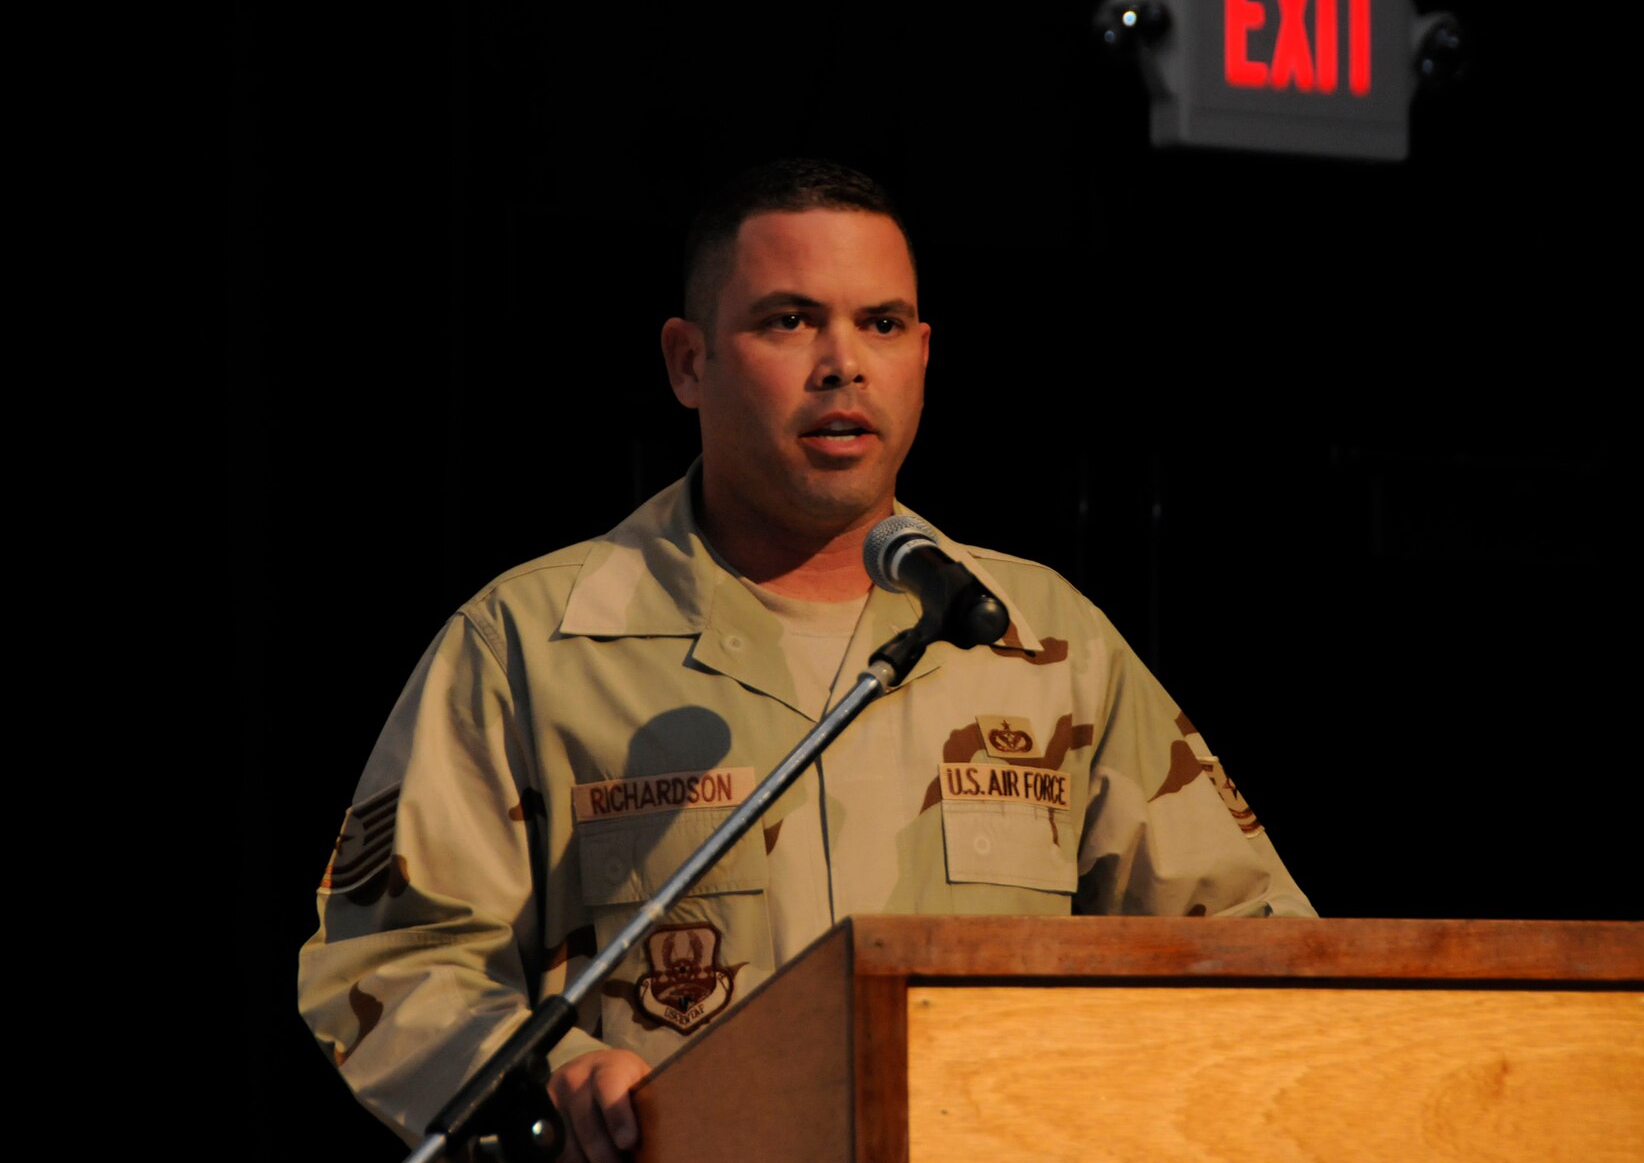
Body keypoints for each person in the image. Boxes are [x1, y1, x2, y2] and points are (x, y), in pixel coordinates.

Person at [299, 159, 1313, 1163]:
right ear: (688, 362)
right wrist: (547, 1069)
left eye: (880, 324)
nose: (843, 363)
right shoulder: (528, 643)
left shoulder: (1040, 639)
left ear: (922, 353)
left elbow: (1251, 945)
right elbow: (393, 957)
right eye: (788, 320)